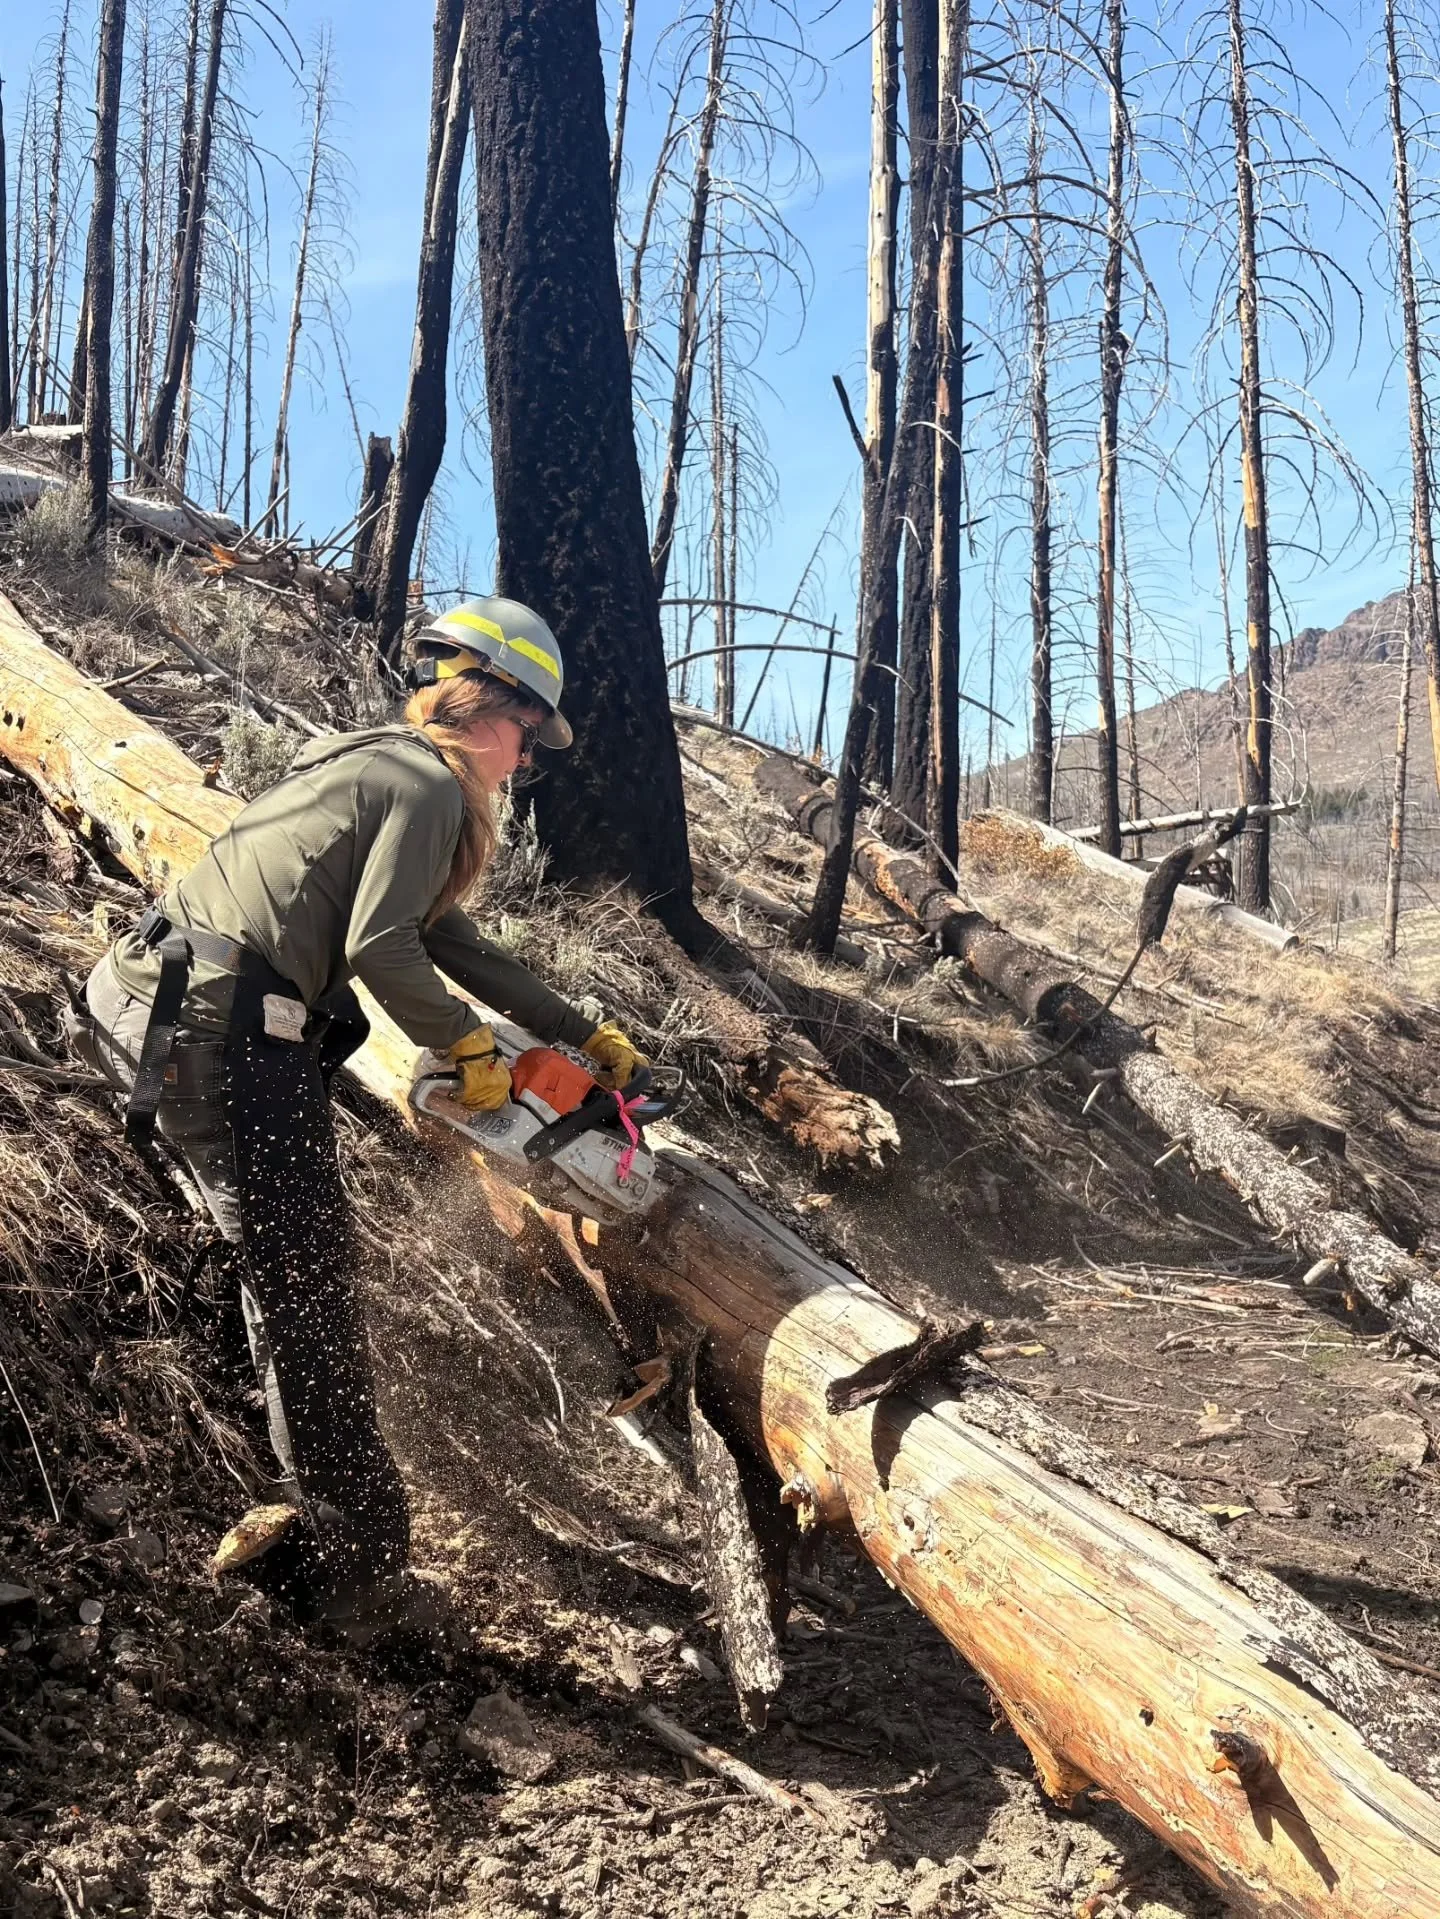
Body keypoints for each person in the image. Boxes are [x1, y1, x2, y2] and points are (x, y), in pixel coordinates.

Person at [69, 596, 645, 1637]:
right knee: (309, 1282)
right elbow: (386, 948)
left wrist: (577, 1031)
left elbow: (449, 941)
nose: (521, 762)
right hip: (220, 1028)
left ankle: (278, 1484)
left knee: (277, 1258)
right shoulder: (427, 784)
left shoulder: (375, 761)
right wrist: (464, 1048)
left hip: (141, 1000)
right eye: (524, 735)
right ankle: (361, 1571)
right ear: (486, 699)